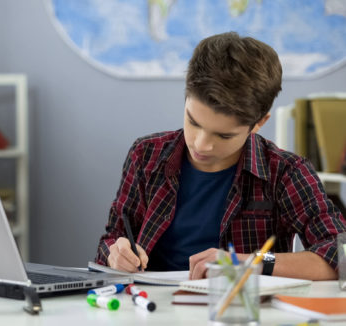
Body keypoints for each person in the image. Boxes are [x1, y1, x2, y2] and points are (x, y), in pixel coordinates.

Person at [95, 32, 346, 280]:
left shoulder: (285, 172)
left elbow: (339, 255)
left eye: (223, 136)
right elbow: (111, 239)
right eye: (193, 122)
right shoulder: (146, 154)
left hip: (238, 312)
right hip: (149, 308)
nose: (201, 145)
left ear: (258, 122)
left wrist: (246, 262)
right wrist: (115, 254)